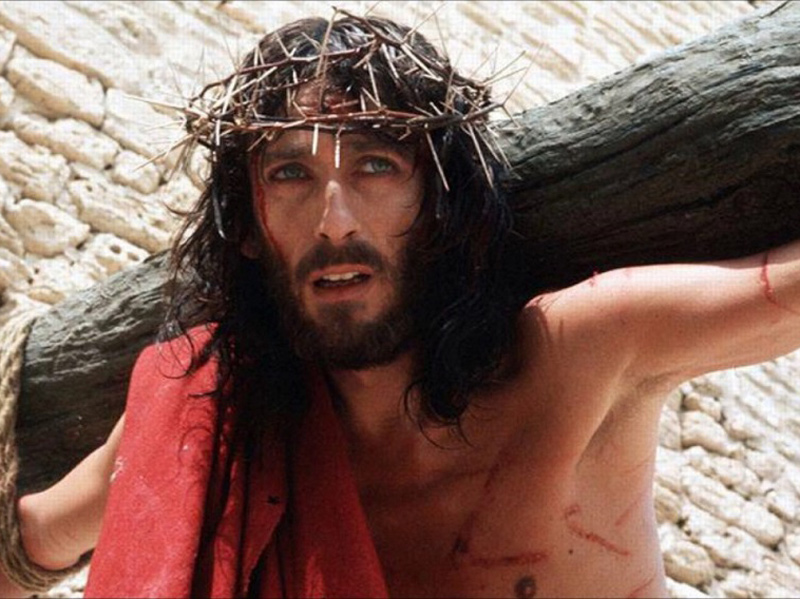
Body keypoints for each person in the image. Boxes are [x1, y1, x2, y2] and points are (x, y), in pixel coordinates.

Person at [3, 12, 800, 599]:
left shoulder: (585, 356)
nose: (335, 220)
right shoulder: (210, 424)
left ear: (441, 203)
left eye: (377, 165)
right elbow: (30, 540)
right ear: (247, 227)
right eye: (290, 174)